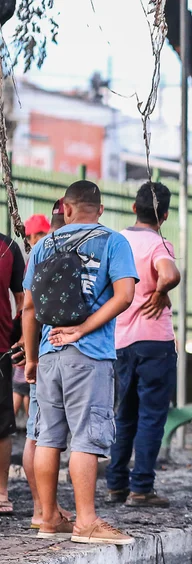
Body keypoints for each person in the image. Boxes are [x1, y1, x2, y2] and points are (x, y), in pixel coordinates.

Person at [23, 180, 138, 544]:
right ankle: (86, 521)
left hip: (48, 354)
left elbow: (28, 308)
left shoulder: (43, 245)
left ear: (66, 209)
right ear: (100, 210)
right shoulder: (114, 241)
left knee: (48, 438)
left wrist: (31, 358)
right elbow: (125, 295)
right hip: (89, 356)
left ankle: (46, 517)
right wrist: (82, 329)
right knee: (86, 438)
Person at [106, 182, 181, 508]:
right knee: (151, 416)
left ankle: (116, 485)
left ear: (134, 208)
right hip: (155, 343)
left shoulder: (115, 240)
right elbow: (170, 274)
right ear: (163, 215)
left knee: (124, 415)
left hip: (119, 340)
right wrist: (162, 291)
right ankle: (141, 489)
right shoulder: (159, 243)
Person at [17, 214, 73, 532]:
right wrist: (31, 355)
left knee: (38, 434)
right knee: (40, 436)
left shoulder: (39, 254)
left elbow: (28, 307)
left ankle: (45, 508)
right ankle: (42, 510)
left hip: (40, 351)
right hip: (46, 351)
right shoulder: (51, 252)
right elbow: (27, 307)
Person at [12, 215, 50, 422]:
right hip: (33, 338)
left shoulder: (34, 256)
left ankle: (24, 423)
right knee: (24, 388)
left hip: (32, 338)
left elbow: (26, 305)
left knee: (27, 390)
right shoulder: (37, 255)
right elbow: (26, 305)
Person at [0, 228, 25, 516]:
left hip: (1, 348)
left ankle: (2, 491)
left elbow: (22, 296)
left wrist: (20, 335)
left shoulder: (8, 247)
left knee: (2, 422)